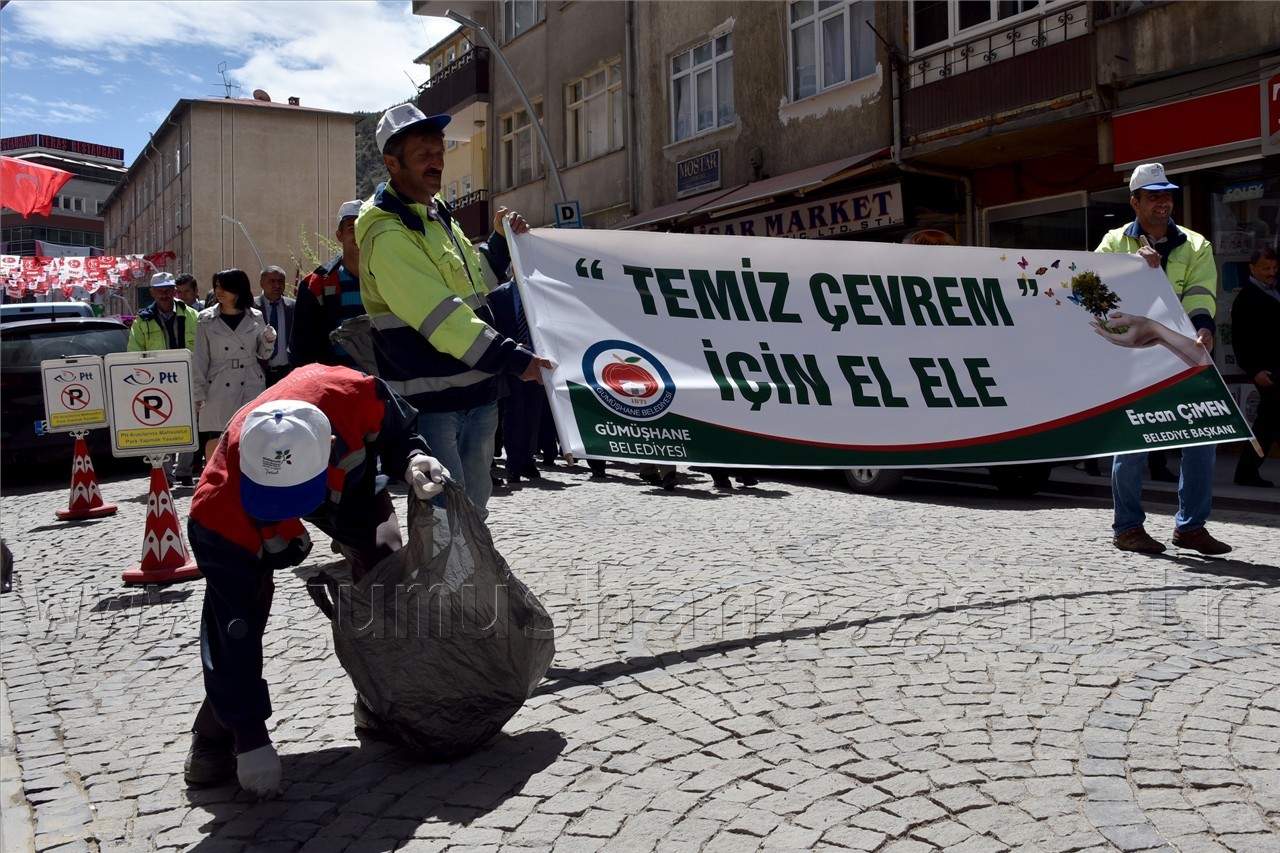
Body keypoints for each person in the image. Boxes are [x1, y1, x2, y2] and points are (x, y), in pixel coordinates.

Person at [182, 364, 446, 798]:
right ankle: (214, 733)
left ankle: (381, 696)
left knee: (387, 566)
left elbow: (401, 432)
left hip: (348, 483)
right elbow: (232, 630)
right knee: (241, 617)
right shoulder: (218, 506)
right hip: (246, 508)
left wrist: (414, 458)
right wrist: (250, 739)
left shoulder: (356, 395)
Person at [357, 103, 551, 518]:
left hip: (478, 393)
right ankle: (444, 584)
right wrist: (516, 360)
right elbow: (441, 314)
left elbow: (475, 285)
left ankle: (468, 580)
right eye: (423, 153)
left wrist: (500, 243)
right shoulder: (386, 230)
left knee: (473, 511)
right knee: (445, 515)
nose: (436, 162)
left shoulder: (437, 214)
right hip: (432, 405)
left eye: (440, 151)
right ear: (392, 163)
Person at [1096, 162, 1229, 555]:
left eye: (1167, 194)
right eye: (1154, 196)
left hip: (1184, 351)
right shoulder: (1113, 242)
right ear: (1135, 202)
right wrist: (1138, 268)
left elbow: (1202, 292)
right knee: (1133, 442)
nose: (1163, 202)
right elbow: (1094, 291)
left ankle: (1190, 527)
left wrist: (1204, 327)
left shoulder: (1196, 243)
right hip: (1134, 355)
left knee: (1205, 438)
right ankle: (1128, 527)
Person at [193, 269, 276, 464]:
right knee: (217, 438)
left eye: (224, 287)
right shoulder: (206, 318)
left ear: (238, 290)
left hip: (250, 381)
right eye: (217, 287)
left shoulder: (255, 316)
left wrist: (269, 340)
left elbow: (263, 354)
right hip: (218, 384)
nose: (219, 291)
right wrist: (198, 392)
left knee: (251, 434)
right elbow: (200, 358)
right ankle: (217, 481)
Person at [127, 272, 200, 484]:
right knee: (163, 426)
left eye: (168, 289)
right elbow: (133, 353)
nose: (165, 293)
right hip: (156, 384)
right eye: (160, 290)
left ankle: (184, 471)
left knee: (190, 426)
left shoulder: (192, 315)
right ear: (152, 292)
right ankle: (166, 473)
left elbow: (203, 348)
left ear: (174, 290)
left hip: (188, 379)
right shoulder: (143, 320)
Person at [290, 200, 366, 369]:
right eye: (352, 230)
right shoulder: (316, 284)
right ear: (339, 236)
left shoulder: (390, 279)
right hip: (337, 387)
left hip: (385, 388)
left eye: (365, 229)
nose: (360, 236)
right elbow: (301, 349)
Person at [1231, 245, 1279, 487]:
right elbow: (1240, 341)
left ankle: (1246, 471)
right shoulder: (1246, 299)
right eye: (1266, 268)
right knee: (1269, 421)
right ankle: (1246, 471)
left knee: (1268, 422)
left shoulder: (1276, 291)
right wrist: (1254, 370)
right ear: (1252, 268)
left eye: (1274, 267)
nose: (1271, 272)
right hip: (1266, 371)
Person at [255, 266, 295, 386]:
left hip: (287, 373)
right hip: (259, 373)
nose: (277, 285)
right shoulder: (251, 308)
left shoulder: (293, 307)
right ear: (262, 283)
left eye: (280, 281)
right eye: (272, 281)